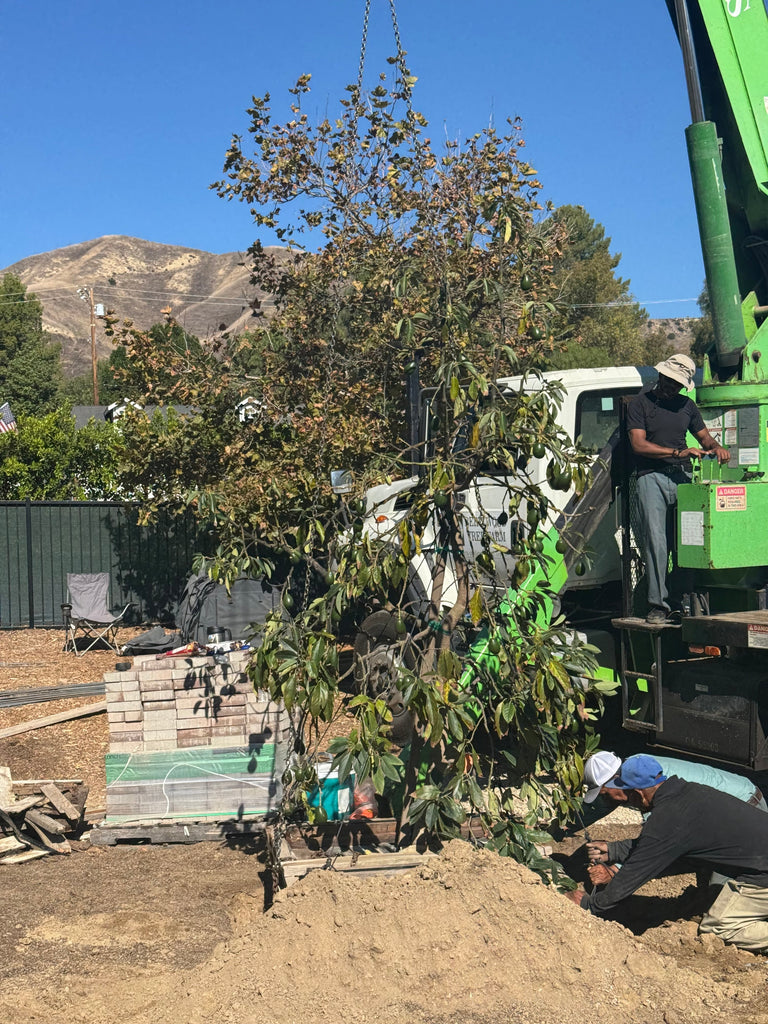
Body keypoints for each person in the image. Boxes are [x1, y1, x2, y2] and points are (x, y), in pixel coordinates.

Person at [565, 754, 768, 951]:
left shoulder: (668, 818)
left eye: (612, 796)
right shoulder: (687, 793)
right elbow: (661, 845)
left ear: (637, 793)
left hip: (762, 874)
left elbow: (634, 874)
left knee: (717, 927)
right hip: (760, 861)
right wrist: (613, 850)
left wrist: (589, 904)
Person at [626, 354, 730, 624]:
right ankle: (658, 604)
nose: (674, 388)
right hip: (651, 477)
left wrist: (716, 447)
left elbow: (704, 437)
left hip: (681, 477)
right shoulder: (641, 403)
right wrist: (678, 452)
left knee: (686, 541)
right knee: (657, 543)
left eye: (679, 384)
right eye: (671, 382)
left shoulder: (687, 406)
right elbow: (638, 445)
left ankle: (681, 599)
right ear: (661, 376)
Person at [581, 750, 766, 886]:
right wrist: (563, 829)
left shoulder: (653, 788)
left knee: (721, 892)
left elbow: (657, 844)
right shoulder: (636, 769)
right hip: (735, 799)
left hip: (744, 804)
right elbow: (600, 808)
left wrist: (615, 870)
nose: (605, 800)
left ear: (615, 781)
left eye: (604, 794)